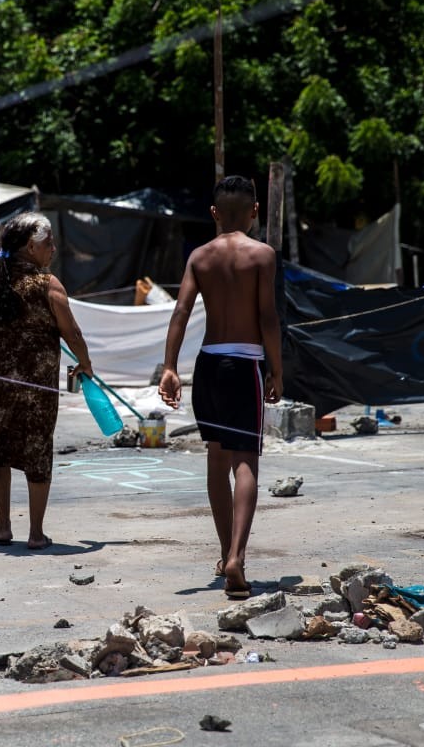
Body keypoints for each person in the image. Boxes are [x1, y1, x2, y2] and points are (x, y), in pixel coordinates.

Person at [158, 175, 282, 600]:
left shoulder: (199, 256)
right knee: (245, 462)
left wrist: (170, 367)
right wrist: (276, 370)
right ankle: (237, 557)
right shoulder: (262, 254)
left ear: (213, 214)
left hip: (207, 365)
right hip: (244, 363)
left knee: (216, 461)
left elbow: (180, 311)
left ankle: (223, 552)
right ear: (255, 212)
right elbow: (268, 317)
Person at [0, 212, 93, 550]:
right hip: (37, 387)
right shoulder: (47, 284)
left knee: (0, 450)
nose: (53, 250)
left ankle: (3, 527)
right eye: (48, 244)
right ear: (31, 248)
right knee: (37, 450)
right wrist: (86, 363)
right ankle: (36, 533)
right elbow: (72, 332)